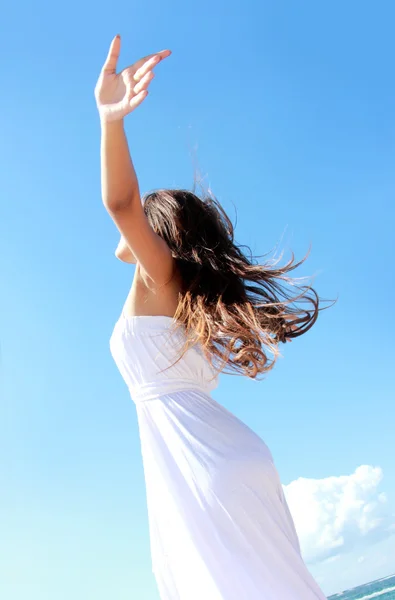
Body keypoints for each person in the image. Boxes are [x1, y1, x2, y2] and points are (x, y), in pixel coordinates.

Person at [95, 35, 328, 600]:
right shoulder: (188, 300)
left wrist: (111, 119)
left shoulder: (161, 275)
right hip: (225, 456)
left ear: (160, 233)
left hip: (200, 462)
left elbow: (121, 204)